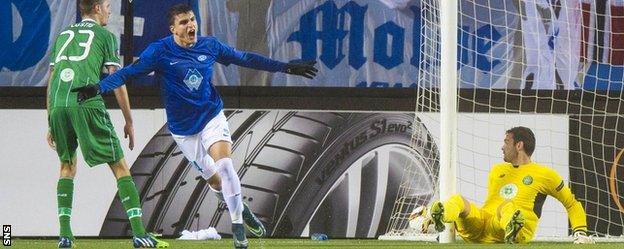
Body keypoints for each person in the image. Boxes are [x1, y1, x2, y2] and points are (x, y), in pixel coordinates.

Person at [72, 4, 318, 248]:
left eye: (191, 20)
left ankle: (238, 228)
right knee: (215, 183)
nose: (191, 25)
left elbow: (245, 58)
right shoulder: (159, 52)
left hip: (211, 116)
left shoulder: (210, 46)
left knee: (225, 165)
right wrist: (98, 88)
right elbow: (128, 73)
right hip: (183, 130)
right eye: (183, 22)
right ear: (173, 29)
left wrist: (285, 67)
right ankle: (242, 210)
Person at [46, 0, 168, 248]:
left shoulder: (63, 35)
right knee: (120, 166)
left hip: (58, 103)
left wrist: (50, 120)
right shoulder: (105, 36)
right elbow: (117, 79)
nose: (110, 10)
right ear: (98, 8)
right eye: (108, 5)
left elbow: (52, 78)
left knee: (67, 166)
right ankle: (139, 234)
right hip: (86, 102)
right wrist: (129, 120)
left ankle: (65, 236)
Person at [428, 126, 594, 244]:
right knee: (458, 200)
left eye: (506, 142)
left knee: (506, 206)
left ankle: (512, 228)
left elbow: (571, 203)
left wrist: (580, 232)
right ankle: (442, 218)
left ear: (519, 145)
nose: (502, 147)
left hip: (512, 229)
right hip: (483, 225)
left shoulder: (545, 175)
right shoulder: (497, 170)